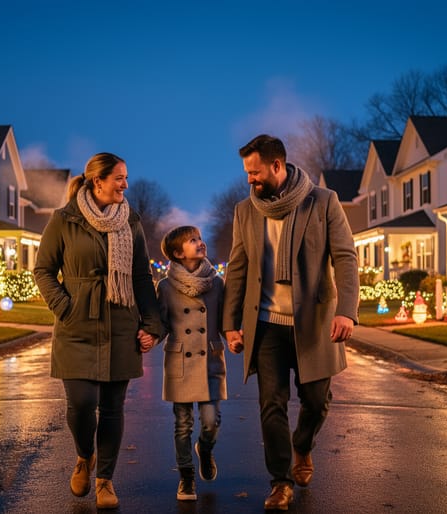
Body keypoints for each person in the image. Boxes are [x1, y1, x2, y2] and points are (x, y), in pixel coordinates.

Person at [222, 134, 359, 511]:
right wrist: (231, 323)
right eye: (247, 172)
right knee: (271, 405)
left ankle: (302, 445)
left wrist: (346, 310)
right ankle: (280, 481)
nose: (250, 179)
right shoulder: (245, 211)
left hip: (314, 323)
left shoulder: (322, 201)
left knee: (316, 402)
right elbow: (238, 269)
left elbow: (345, 257)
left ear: (277, 166)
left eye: (255, 172)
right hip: (266, 324)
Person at [34, 152, 162, 510]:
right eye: (118, 177)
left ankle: (105, 479)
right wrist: (65, 306)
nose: (124, 184)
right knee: (81, 404)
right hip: (77, 324)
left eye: (126, 177)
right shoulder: (64, 220)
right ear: (97, 181)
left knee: (111, 408)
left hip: (120, 324)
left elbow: (140, 278)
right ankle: (83, 456)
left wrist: (152, 325)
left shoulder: (131, 223)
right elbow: (43, 270)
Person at [156, 225, 227, 502]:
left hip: (209, 358)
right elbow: (161, 324)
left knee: (211, 421)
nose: (200, 243)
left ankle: (205, 449)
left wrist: (236, 334)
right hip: (180, 361)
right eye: (192, 241)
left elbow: (226, 320)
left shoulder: (217, 283)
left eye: (199, 238)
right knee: (182, 424)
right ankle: (186, 477)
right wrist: (148, 337)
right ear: (177, 253)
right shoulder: (164, 286)